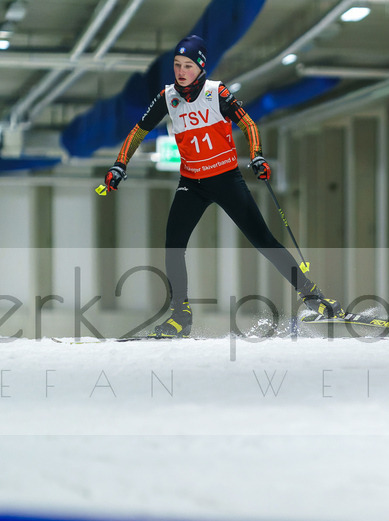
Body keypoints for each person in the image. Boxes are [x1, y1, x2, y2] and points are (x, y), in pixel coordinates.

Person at [103, 34, 344, 338]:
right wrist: (119, 164)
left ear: (200, 66)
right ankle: (181, 315)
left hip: (226, 179)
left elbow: (249, 124)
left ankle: (313, 298)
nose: (180, 71)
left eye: (187, 65)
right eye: (177, 65)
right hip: (192, 182)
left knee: (263, 240)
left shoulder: (216, 92)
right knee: (173, 246)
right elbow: (138, 131)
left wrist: (256, 156)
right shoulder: (168, 98)